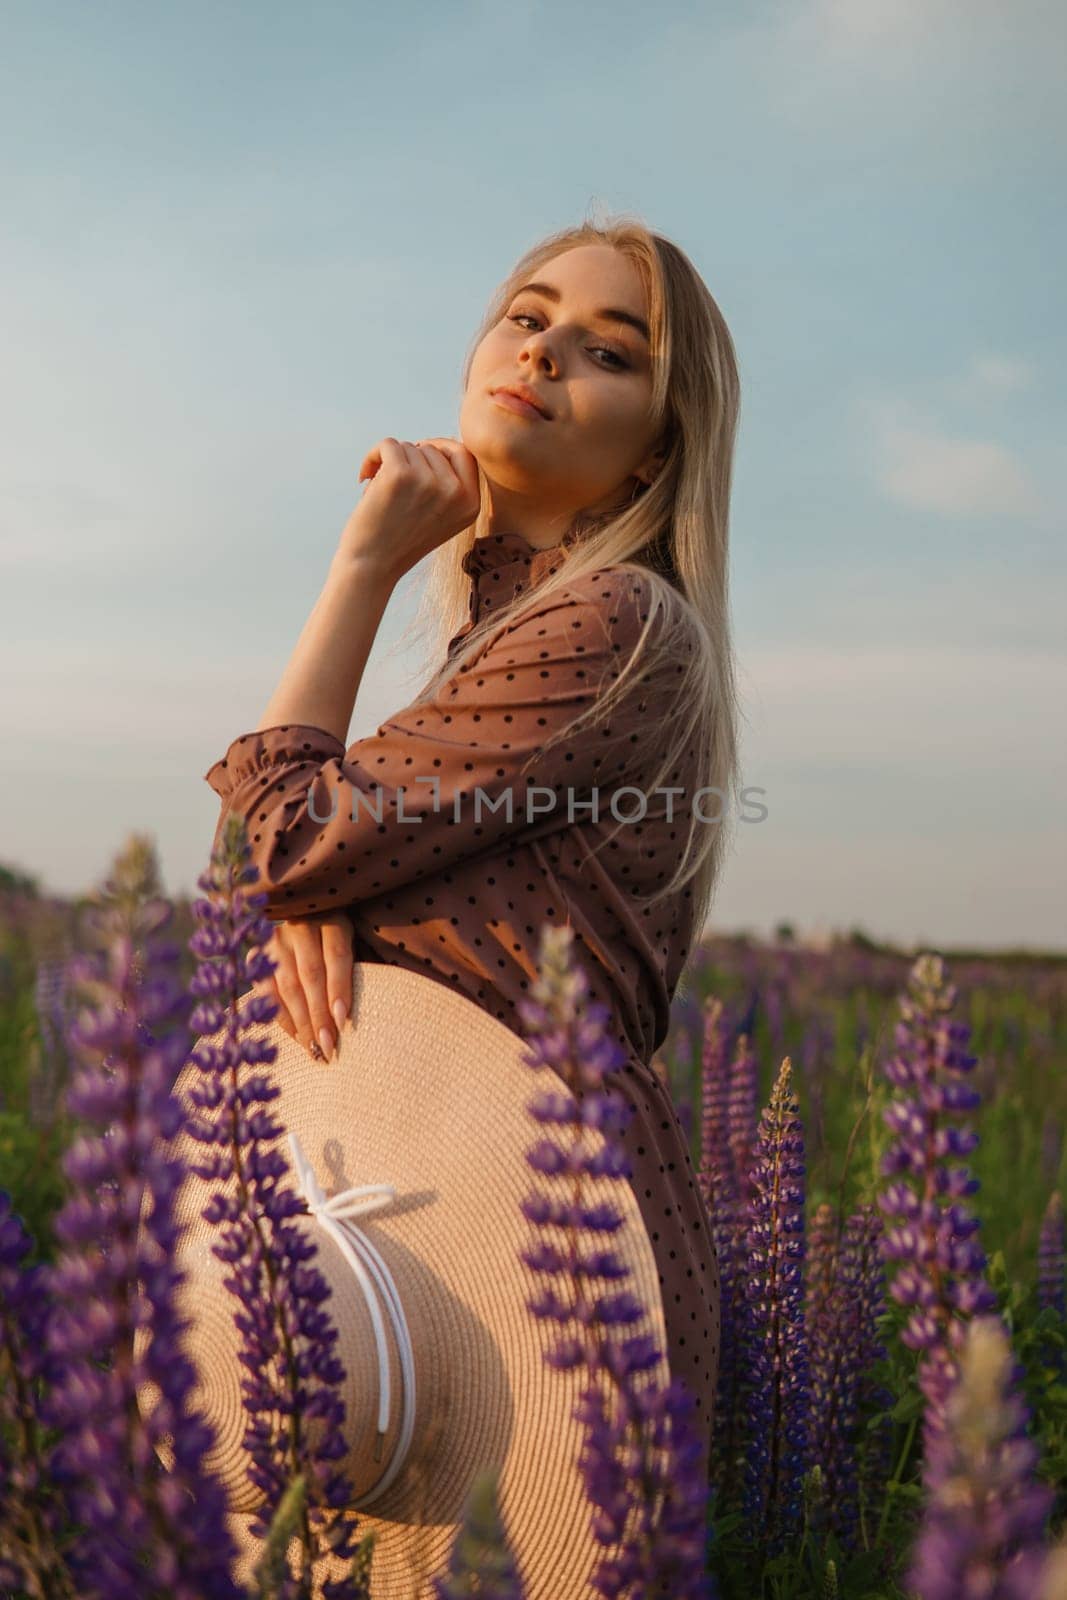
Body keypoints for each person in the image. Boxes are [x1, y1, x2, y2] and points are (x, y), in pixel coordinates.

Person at [204, 215, 743, 1503]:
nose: (546, 348)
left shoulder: (614, 623)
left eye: (609, 350)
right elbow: (268, 870)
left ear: (656, 452)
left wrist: (362, 562)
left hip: (535, 1258)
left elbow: (267, 842)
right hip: (408, 1232)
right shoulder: (506, 636)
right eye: (527, 313)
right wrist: (304, 896)